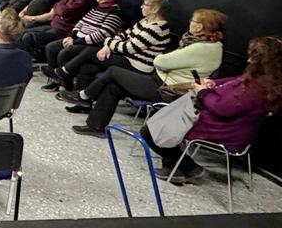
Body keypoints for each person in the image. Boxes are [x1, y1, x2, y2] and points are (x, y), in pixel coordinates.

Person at [140, 37, 282, 183]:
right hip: (225, 126)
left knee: (151, 130)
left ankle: (189, 168)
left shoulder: (256, 89)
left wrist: (202, 92)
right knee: (165, 121)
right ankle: (177, 168)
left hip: (223, 130)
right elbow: (234, 82)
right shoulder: (266, 80)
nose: (248, 60)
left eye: (252, 57)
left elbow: (222, 109)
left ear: (263, 62)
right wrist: (214, 83)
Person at [70, 8, 227, 136]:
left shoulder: (202, 48)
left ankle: (84, 95)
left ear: (199, 27)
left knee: (113, 71)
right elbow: (168, 61)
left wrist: (165, 62)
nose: (190, 23)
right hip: (161, 80)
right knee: (113, 87)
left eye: (193, 20)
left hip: (168, 90)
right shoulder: (207, 44)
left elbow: (159, 62)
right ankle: (95, 126)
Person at [60, 0, 172, 104]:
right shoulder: (144, 21)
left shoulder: (157, 29)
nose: (141, 6)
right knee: (87, 67)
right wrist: (108, 46)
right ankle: (82, 101)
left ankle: (67, 73)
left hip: (137, 66)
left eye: (145, 4)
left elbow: (128, 48)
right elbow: (123, 35)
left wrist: (108, 43)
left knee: (91, 51)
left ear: (155, 9)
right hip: (127, 58)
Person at [42, 0, 126, 91]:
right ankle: (57, 79)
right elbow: (80, 23)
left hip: (92, 44)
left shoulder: (115, 12)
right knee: (51, 47)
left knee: (64, 53)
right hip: (77, 38)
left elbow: (101, 35)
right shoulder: (96, 7)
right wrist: (71, 36)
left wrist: (76, 41)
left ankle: (67, 85)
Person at [19, 0, 98, 57]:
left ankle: (25, 60)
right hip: (53, 24)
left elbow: (65, 12)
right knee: (22, 32)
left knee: (28, 37)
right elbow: (58, 5)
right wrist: (59, 8)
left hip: (63, 29)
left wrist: (58, 8)